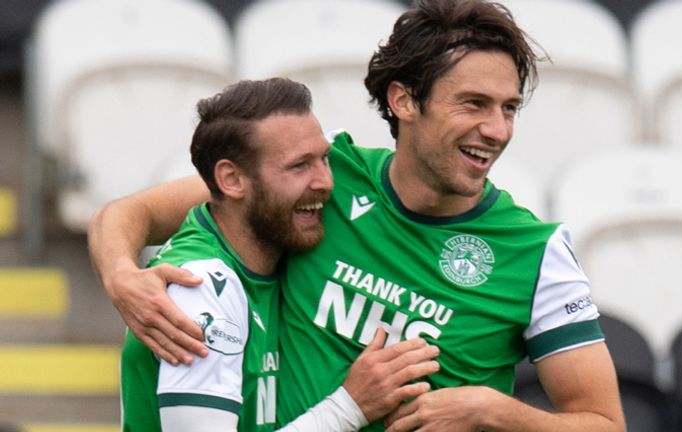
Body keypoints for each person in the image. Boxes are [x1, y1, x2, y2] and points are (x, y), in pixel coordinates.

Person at [89, 1, 627, 431]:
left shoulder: (537, 251)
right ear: (404, 100)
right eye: (473, 104)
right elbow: (131, 212)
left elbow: (604, 423)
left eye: (508, 108)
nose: (498, 130)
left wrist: (493, 411)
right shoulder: (326, 177)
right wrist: (120, 275)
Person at [116, 78, 439, 431]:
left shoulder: (264, 258)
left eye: (324, 160)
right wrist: (350, 406)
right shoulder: (202, 288)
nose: (326, 182)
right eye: (299, 166)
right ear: (232, 179)